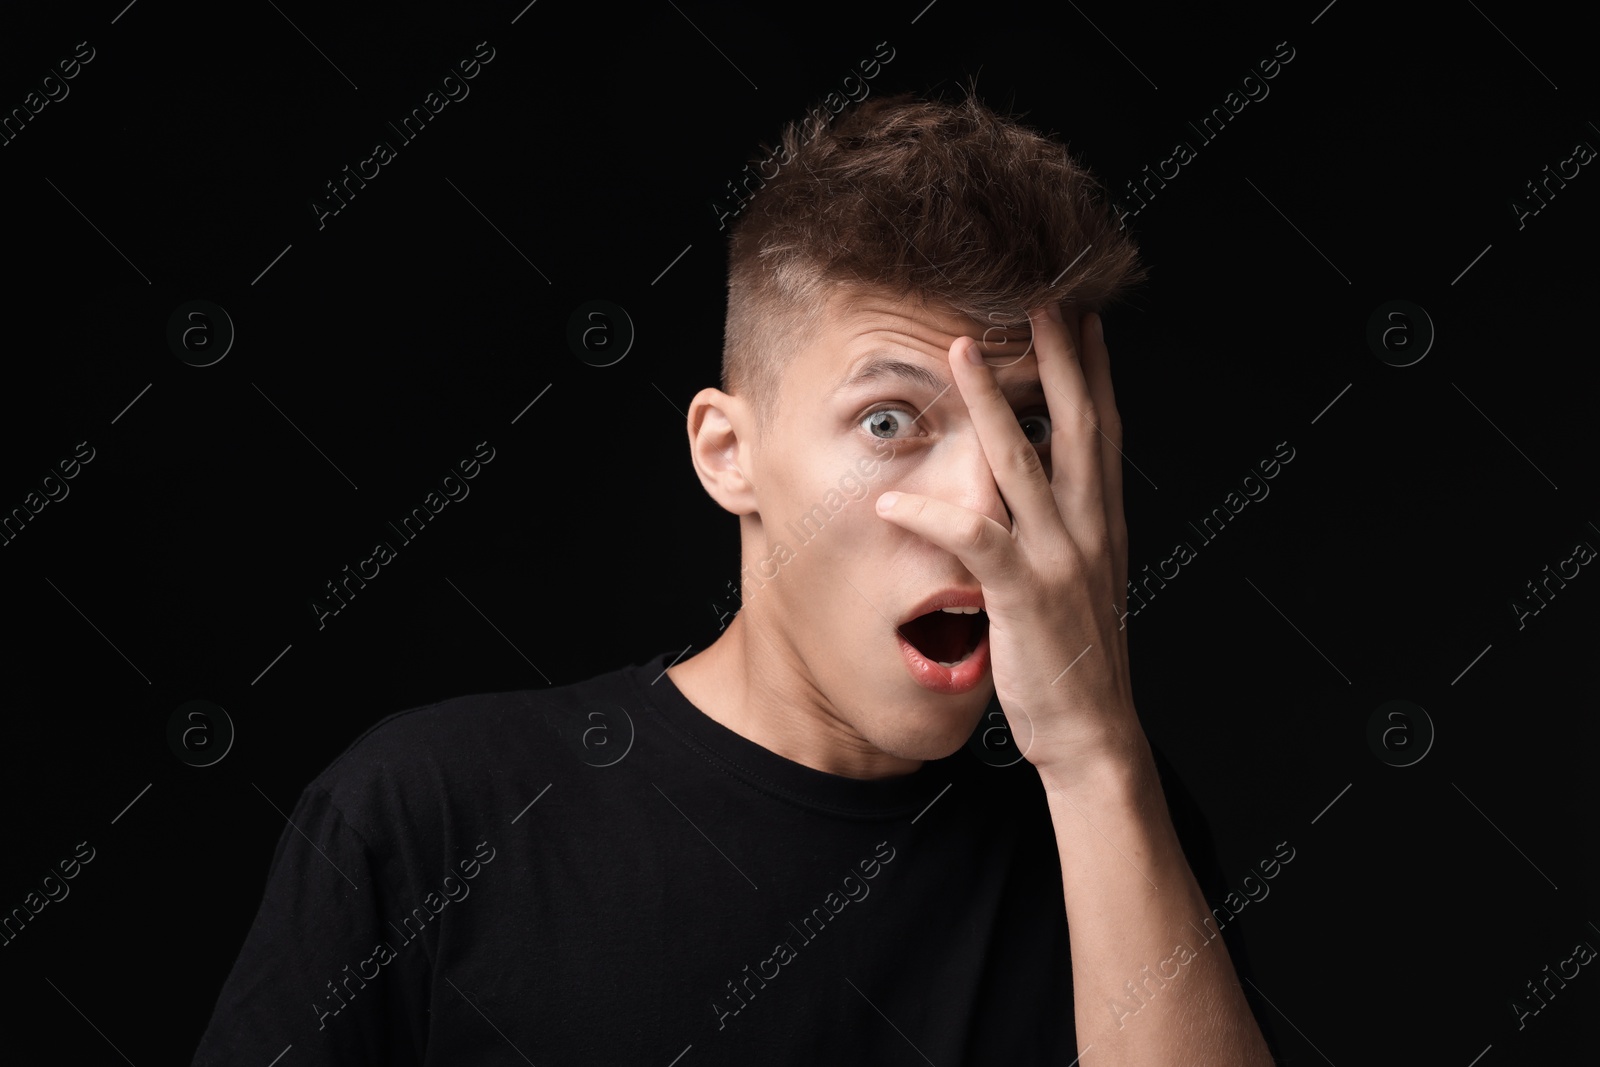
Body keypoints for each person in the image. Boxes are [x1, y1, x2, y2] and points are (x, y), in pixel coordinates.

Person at [192, 90, 1275, 1065]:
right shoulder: (432, 817)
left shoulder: (1113, 834)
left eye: (1025, 427)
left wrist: (1094, 758)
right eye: (891, 421)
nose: (981, 507)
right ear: (728, 452)